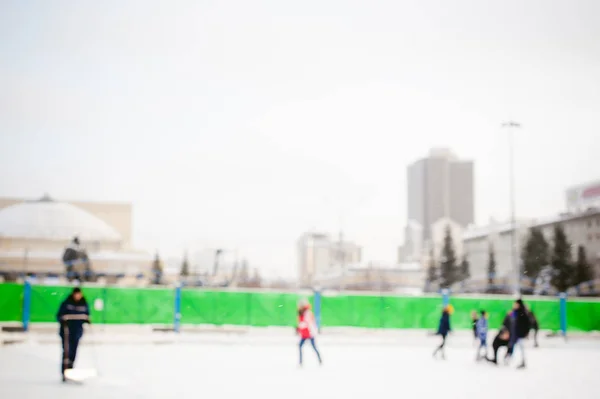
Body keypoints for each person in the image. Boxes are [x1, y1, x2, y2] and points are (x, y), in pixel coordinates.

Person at [56, 287, 90, 381]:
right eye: (76, 294)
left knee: (74, 352)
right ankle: (64, 371)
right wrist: (63, 320)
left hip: (77, 331)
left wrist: (87, 320)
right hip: (66, 332)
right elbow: (59, 315)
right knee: (67, 351)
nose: (78, 296)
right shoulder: (67, 303)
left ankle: (70, 370)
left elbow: (87, 314)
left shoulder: (84, 303)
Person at [297, 299, 322, 367]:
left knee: (313, 347)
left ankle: (320, 360)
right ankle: (300, 362)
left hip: (309, 333)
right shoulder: (300, 312)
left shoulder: (307, 313)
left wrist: (301, 326)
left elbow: (309, 323)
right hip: (304, 334)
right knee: (300, 346)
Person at [507, 299, 531, 369]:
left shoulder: (522, 312)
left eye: (516, 304)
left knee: (520, 348)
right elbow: (511, 317)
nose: (514, 305)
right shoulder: (516, 312)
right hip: (515, 333)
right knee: (512, 346)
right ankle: (509, 359)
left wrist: (526, 332)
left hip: (520, 334)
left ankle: (522, 361)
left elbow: (527, 324)